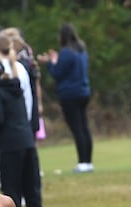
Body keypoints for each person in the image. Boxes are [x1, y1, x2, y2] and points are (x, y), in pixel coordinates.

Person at [0, 61, 46, 207]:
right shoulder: (16, 88)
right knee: (30, 182)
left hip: (10, 143)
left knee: (11, 185)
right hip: (26, 139)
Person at [37, 23, 93, 173]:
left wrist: (50, 63)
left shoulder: (67, 52)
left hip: (70, 94)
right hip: (83, 92)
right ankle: (88, 161)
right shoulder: (81, 50)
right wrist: (56, 60)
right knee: (84, 127)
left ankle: (82, 162)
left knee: (77, 128)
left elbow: (58, 73)